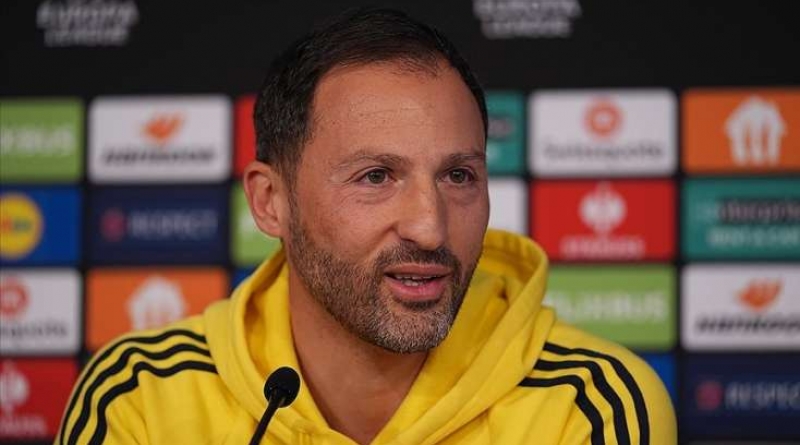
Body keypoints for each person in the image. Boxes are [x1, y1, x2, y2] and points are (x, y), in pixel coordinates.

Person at [57, 8, 676, 445]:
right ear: (271, 202)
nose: (430, 229)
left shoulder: (592, 405)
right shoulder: (140, 396)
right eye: (376, 176)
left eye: (458, 175)